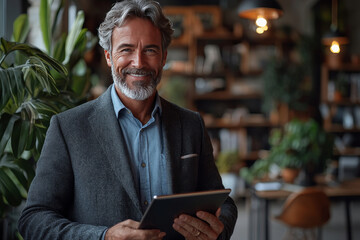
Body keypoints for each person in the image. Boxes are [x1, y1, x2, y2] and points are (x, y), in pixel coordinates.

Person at [18, 0, 238, 239]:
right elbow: (34, 219)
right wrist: (104, 237)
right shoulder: (68, 128)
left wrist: (218, 230)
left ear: (164, 57)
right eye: (126, 49)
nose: (139, 62)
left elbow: (224, 203)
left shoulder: (191, 124)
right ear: (109, 57)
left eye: (150, 50)